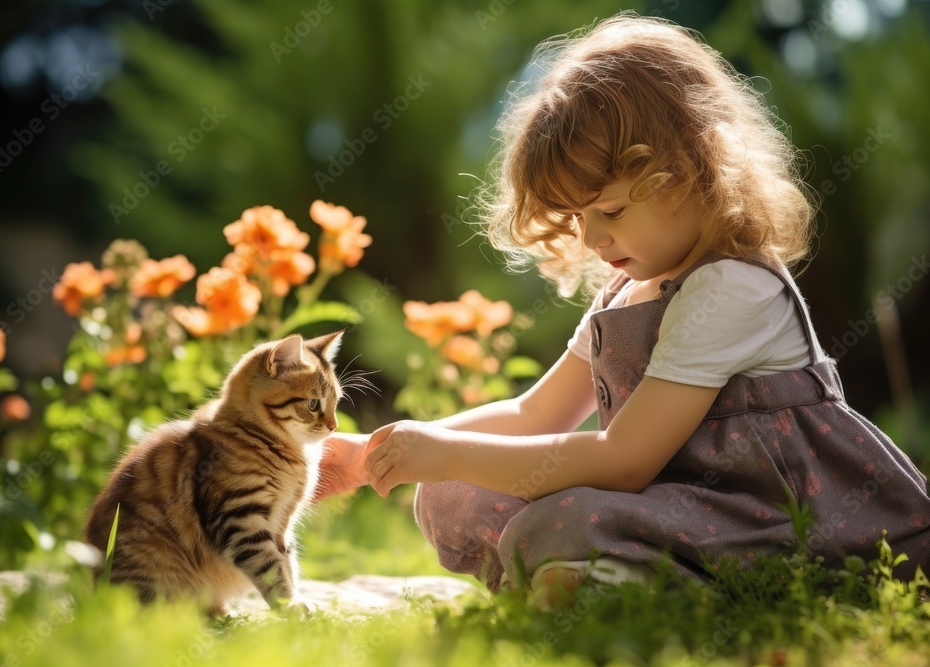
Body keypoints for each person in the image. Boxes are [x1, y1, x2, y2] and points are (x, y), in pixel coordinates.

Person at [317, 12, 930, 599]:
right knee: (450, 490)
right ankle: (592, 572)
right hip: (679, 507)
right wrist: (375, 454)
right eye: (577, 217)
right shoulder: (625, 291)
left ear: (696, 170)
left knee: (564, 517)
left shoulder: (731, 288)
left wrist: (449, 451)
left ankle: (627, 581)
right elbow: (534, 415)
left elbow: (626, 460)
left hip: (778, 519)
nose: (592, 239)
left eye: (609, 211)